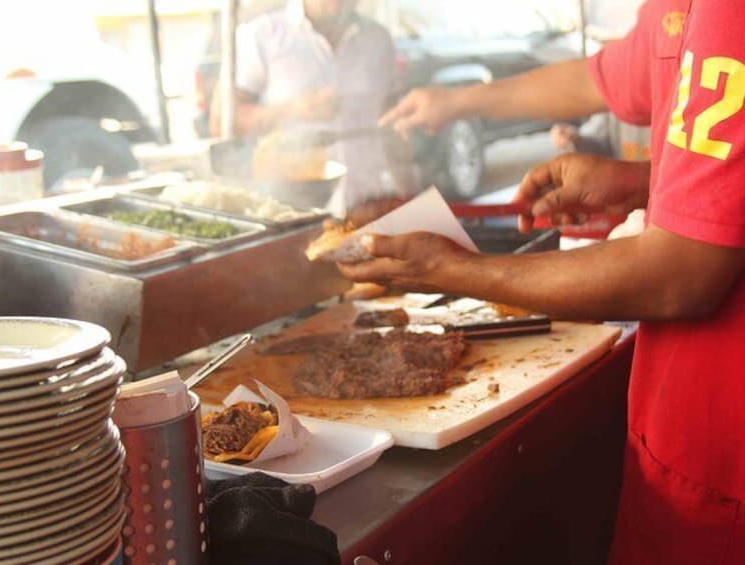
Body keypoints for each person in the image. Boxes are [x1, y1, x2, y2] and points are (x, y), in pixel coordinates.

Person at [343, 1, 745, 562]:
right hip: (686, 438)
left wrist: (452, 268)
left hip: (722, 453)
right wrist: (652, 182)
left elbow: (683, 273)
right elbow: (611, 77)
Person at [209, 0, 415, 216]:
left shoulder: (378, 38)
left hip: (370, 205)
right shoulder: (261, 35)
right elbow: (220, 121)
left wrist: (409, 193)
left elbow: (394, 127)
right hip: (292, 212)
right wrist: (292, 110)